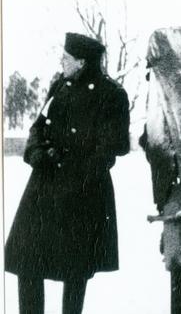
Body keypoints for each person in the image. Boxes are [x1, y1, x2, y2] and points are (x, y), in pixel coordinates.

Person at [4, 32, 131, 314]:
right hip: (44, 186)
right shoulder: (59, 86)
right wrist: (37, 152)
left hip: (84, 190)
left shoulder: (112, 95)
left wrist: (79, 172)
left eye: (67, 57)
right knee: (27, 259)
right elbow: (38, 126)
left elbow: (115, 146)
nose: (62, 61)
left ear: (82, 62)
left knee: (75, 267)